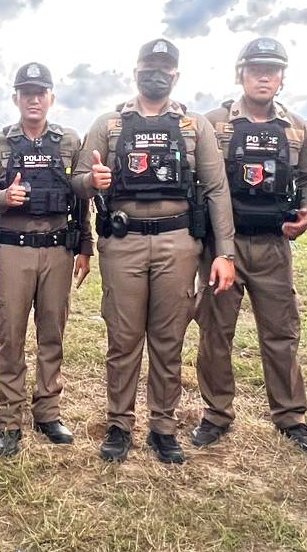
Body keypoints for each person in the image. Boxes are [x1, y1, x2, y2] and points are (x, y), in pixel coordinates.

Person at [72, 38, 237, 464]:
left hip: (177, 243)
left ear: (176, 74)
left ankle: (163, 426)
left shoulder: (194, 126)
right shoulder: (109, 124)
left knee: (168, 339)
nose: (156, 74)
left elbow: (216, 189)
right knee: (123, 338)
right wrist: (92, 181)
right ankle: (119, 424)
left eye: (165, 68)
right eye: (149, 66)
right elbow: (77, 180)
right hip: (122, 242)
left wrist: (225, 253)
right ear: (136, 71)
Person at [190, 38, 307, 456]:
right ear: (240, 74)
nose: (264, 77)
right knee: (215, 332)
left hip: (272, 246)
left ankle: (291, 417)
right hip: (223, 246)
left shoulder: (296, 127)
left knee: (281, 333)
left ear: (282, 78)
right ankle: (216, 414)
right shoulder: (213, 124)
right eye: (256, 69)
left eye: (273, 70)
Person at [0, 63, 92, 457]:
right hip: (14, 249)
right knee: (10, 335)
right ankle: (9, 420)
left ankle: (48, 412)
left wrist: (85, 246)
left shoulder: (69, 141)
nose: (33, 99)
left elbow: (80, 197)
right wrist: (4, 199)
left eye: (40, 92)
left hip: (58, 249)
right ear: (16, 98)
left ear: (51, 98)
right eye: (26, 92)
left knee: (52, 333)